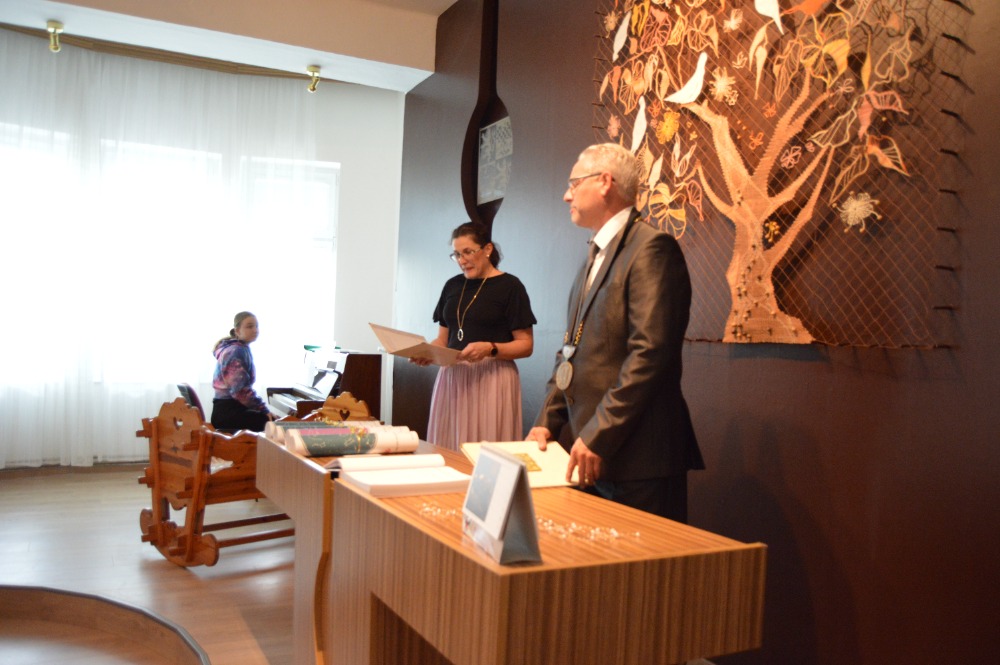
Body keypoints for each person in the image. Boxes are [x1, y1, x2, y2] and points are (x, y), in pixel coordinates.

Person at [527, 143, 704, 522]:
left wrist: (600, 434)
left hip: (638, 460)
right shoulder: (594, 255)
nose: (567, 195)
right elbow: (571, 351)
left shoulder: (651, 248)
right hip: (592, 454)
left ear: (605, 182)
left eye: (574, 183)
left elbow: (650, 354)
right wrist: (546, 422)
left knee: (645, 563)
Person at [416, 221, 537, 450]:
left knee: (486, 453)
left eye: (468, 252)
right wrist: (429, 353)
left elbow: (526, 345)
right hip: (452, 377)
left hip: (493, 378)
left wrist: (490, 348)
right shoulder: (452, 286)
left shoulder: (510, 286)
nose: (462, 260)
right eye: (457, 255)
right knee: (448, 448)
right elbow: (443, 339)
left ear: (487, 249)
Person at [211, 311, 272, 432]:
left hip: (228, 410)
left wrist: (261, 410)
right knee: (274, 425)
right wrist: (263, 410)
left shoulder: (240, 348)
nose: (255, 330)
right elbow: (240, 391)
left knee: (273, 421)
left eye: (256, 326)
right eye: (250, 326)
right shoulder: (236, 351)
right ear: (237, 331)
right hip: (228, 413)